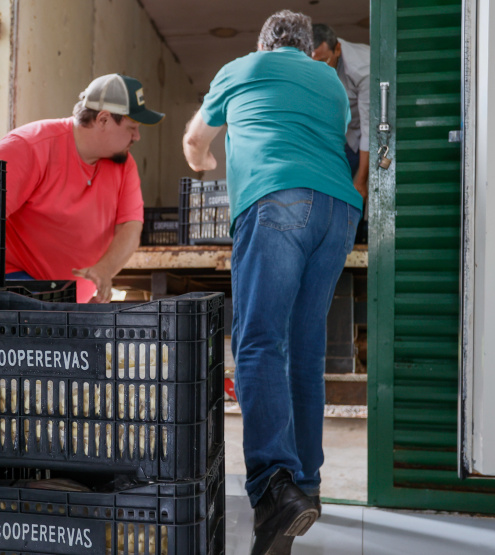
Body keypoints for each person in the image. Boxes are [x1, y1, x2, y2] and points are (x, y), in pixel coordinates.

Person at [183, 10, 363, 555]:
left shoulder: (242, 67)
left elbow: (195, 141)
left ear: (264, 44)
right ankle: (304, 487)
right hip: (338, 213)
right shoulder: (330, 83)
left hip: (278, 198)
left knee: (260, 342)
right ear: (308, 49)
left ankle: (272, 488)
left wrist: (207, 159)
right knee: (304, 352)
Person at [0, 74, 164, 303]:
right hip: (19, 287)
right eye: (132, 128)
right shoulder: (28, 147)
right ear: (103, 120)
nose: (137, 137)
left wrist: (103, 271)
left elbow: (130, 227)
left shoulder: (124, 164)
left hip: (73, 302)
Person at [311, 23, 371, 203]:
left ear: (337, 49)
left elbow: (370, 128)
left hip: (363, 136)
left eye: (323, 62)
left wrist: (360, 182)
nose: (318, 70)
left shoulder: (362, 68)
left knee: (354, 195)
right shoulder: (308, 65)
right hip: (338, 134)